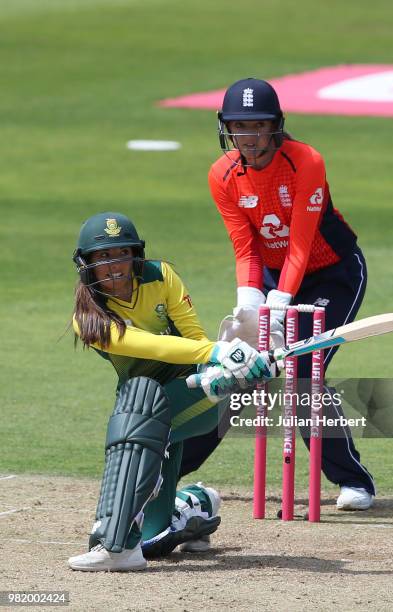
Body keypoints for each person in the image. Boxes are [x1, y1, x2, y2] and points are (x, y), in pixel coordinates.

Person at [179, 78, 376, 520]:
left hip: (333, 275)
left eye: (257, 126)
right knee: (234, 370)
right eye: (238, 127)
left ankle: (353, 480)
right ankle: (173, 466)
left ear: (276, 126)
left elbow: (301, 246)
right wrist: (250, 310)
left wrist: (280, 307)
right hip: (271, 277)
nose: (247, 137)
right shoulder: (223, 174)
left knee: (303, 373)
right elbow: (246, 249)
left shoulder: (305, 161)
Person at [67, 211, 275, 572]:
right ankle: (197, 505)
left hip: (190, 394)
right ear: (87, 266)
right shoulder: (89, 319)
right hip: (147, 401)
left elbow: (194, 338)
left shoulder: (161, 276)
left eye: (121, 254)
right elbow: (153, 348)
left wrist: (222, 369)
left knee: (138, 409)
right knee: (156, 539)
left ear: (136, 256)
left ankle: (117, 545)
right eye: (103, 258)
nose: (114, 266)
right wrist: (218, 351)